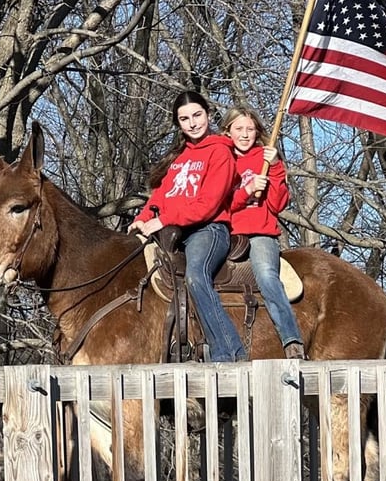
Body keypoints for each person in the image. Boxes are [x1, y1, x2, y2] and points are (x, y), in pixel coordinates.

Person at [128, 91, 248, 363]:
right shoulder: (179, 158)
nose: (192, 123)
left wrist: (163, 220)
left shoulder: (220, 152)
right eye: (184, 119)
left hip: (209, 229)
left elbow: (208, 203)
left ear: (208, 114)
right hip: (174, 232)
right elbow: (160, 197)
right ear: (178, 123)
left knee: (195, 275)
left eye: (197, 115)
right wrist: (143, 218)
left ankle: (229, 352)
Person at [221, 106, 307, 360]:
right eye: (239, 129)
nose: (245, 135)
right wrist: (246, 191)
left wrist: (277, 167)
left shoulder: (266, 159)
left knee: (267, 275)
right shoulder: (221, 158)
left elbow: (278, 205)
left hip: (260, 232)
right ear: (228, 132)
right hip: (225, 231)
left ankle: (291, 338)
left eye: (250, 129)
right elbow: (219, 203)